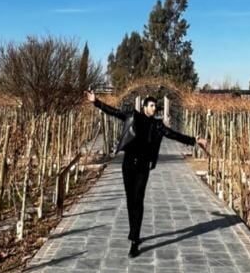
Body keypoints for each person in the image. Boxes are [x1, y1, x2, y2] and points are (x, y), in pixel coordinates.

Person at [86, 90, 209, 257]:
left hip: (143, 167)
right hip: (128, 164)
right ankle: (133, 231)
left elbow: (174, 135)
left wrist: (195, 140)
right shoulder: (132, 116)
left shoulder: (157, 125)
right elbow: (113, 112)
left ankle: (135, 241)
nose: (153, 108)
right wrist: (96, 101)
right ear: (144, 106)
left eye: (155, 106)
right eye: (151, 105)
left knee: (138, 199)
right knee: (130, 200)